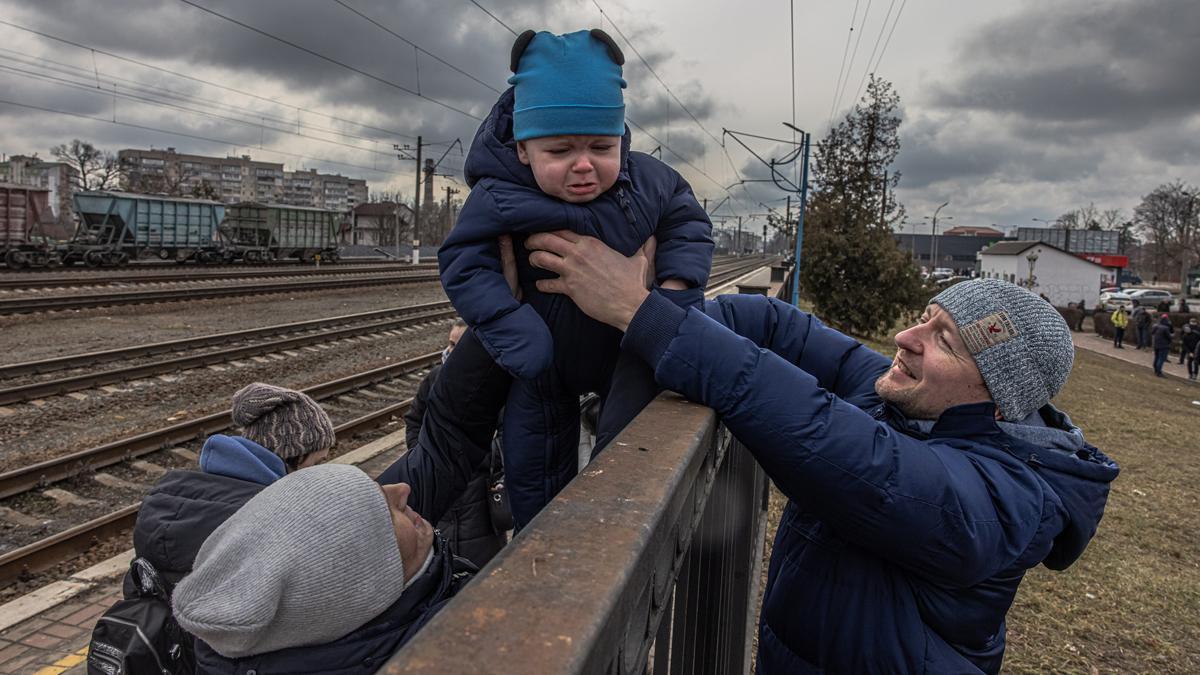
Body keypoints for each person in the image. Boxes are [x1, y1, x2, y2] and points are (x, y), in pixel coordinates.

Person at [519, 231, 1118, 673]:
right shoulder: (911, 402)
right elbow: (782, 328)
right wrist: (626, 320)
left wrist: (642, 313)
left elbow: (831, 440)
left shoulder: (998, 501)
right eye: (923, 319)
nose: (905, 339)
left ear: (994, 397)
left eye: (944, 342)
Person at [439, 28, 713, 528]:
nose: (585, 165)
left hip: (630, 349)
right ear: (523, 150)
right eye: (560, 151)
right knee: (534, 464)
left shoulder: (650, 180)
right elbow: (464, 263)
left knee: (631, 451)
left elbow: (688, 223)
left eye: (602, 147)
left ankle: (615, 530)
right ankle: (539, 541)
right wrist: (512, 329)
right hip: (542, 364)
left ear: (621, 139)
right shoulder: (498, 197)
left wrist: (675, 291)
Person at [172, 327, 512, 673]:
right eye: (378, 510)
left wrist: (492, 322)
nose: (399, 491)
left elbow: (445, 444)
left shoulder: (317, 547)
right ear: (359, 592)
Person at [99, 383, 336, 673]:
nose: (320, 472)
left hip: (167, 654)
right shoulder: (269, 514)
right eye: (317, 462)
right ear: (294, 457)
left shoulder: (169, 493)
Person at [402, 318, 507, 567]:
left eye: (457, 347)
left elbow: (506, 434)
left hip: (478, 499)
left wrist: (478, 459)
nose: (450, 352)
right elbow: (414, 420)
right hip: (441, 502)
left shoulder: (495, 383)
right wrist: (425, 455)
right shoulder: (434, 379)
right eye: (449, 344)